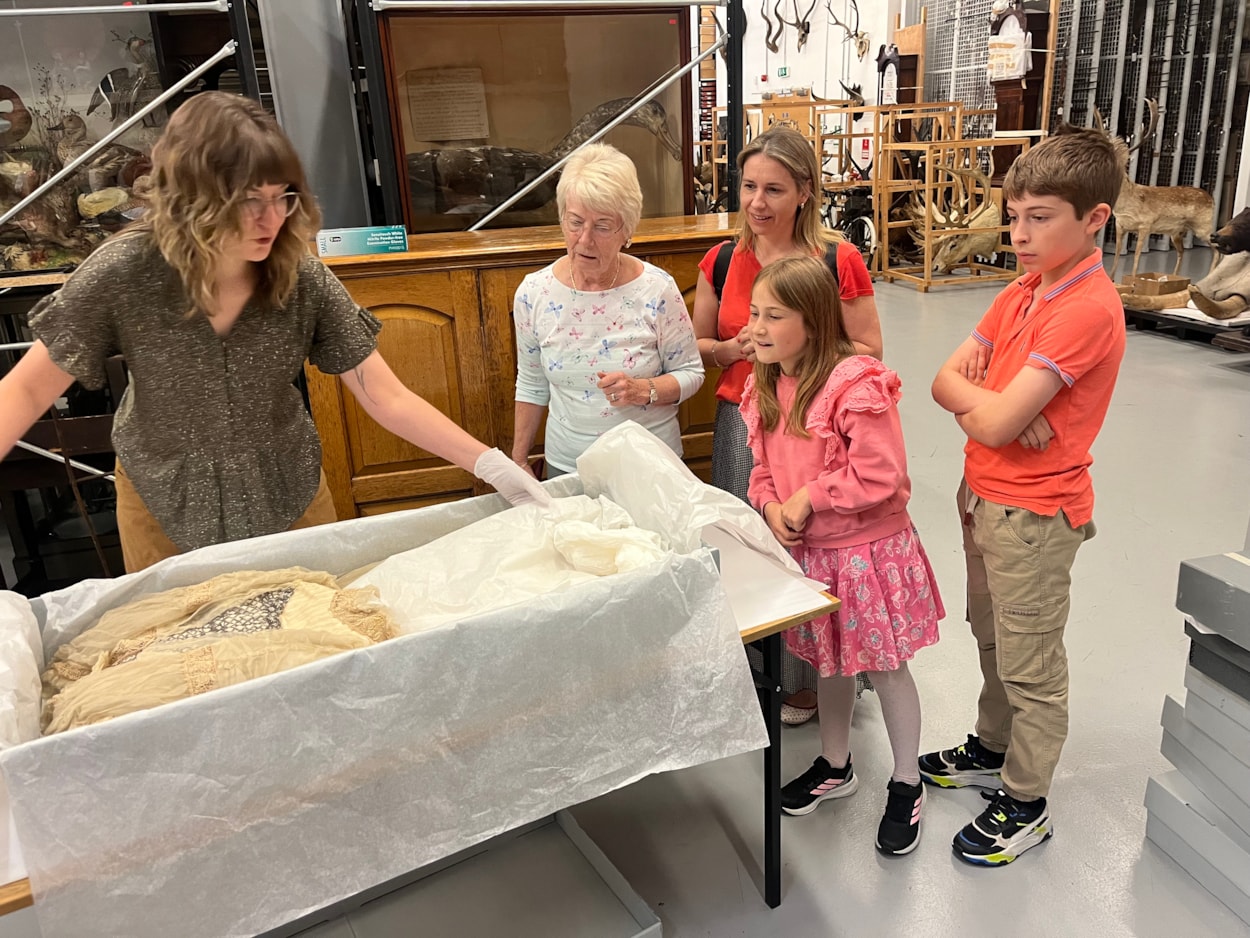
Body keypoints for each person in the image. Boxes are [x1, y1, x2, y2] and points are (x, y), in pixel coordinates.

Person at [0, 92, 544, 573]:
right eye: (248, 202)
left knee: (308, 641)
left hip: (288, 492)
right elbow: (25, 389)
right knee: (185, 656)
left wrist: (491, 465)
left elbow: (383, 393)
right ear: (192, 198)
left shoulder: (299, 275)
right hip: (164, 499)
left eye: (281, 197)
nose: (271, 220)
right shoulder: (124, 273)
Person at [923, 127, 1125, 866]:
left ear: (1094, 219)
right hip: (982, 494)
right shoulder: (1021, 291)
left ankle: (1027, 798)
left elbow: (992, 413)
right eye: (1015, 216)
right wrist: (995, 405)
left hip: (1035, 515)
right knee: (993, 638)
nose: (1019, 233)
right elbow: (942, 383)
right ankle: (993, 745)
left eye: (1040, 216)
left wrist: (992, 405)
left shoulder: (1086, 308)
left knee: (1032, 662)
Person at [740, 256, 943, 856]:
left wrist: (809, 496)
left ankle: (907, 780)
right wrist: (772, 507)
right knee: (832, 662)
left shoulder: (854, 384)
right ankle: (836, 762)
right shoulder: (767, 381)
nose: (758, 326)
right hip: (817, 556)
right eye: (755, 313)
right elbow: (762, 468)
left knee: (882, 666)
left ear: (815, 320)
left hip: (867, 554)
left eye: (775, 315)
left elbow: (881, 475)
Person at [691, 125, 882, 724]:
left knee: (809, 544)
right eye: (748, 186)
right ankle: (755, 667)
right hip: (739, 418)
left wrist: (798, 346)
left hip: (812, 423)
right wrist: (732, 348)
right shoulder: (723, 258)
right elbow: (698, 346)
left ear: (805, 191)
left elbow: (870, 348)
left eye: (773, 189)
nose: (757, 203)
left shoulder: (835, 258)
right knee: (746, 542)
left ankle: (811, 679)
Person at [511, 143, 704, 476]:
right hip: (567, 468)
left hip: (651, 467)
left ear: (627, 230)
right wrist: (518, 460)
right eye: (575, 222)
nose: (585, 239)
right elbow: (531, 383)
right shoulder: (533, 293)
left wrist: (643, 390)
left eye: (602, 226)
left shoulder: (657, 289)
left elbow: (691, 373)